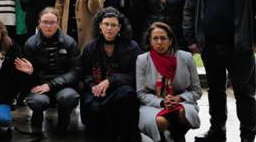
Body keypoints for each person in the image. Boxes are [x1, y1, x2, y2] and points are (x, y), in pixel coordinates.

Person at [183, 0, 256, 142]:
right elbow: (190, 9)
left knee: (244, 94)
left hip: (240, 47)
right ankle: (217, 131)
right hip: (210, 46)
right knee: (216, 92)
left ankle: (248, 136)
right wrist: (191, 38)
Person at [80, 8, 141, 140]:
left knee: (128, 95)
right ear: (100, 26)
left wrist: (111, 80)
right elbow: (84, 73)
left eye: (113, 25)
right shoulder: (90, 47)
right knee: (94, 108)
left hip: (120, 90)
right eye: (106, 24)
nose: (109, 28)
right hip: (95, 90)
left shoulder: (132, 47)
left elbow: (135, 75)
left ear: (119, 28)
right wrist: (92, 86)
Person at [137, 22, 202, 142]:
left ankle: (177, 135)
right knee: (161, 122)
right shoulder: (142, 60)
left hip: (181, 102)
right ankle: (162, 137)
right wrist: (162, 102)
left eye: (163, 38)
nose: (159, 42)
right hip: (153, 103)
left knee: (183, 113)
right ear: (150, 41)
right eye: (155, 38)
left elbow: (197, 91)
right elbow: (141, 94)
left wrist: (178, 98)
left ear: (170, 40)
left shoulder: (186, 57)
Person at [22, 8, 81, 135]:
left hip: (63, 86)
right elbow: (24, 77)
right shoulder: (30, 44)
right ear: (39, 23)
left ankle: (64, 120)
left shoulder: (69, 42)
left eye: (52, 22)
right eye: (45, 22)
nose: (48, 26)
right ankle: (37, 118)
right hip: (39, 85)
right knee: (38, 102)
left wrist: (51, 85)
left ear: (58, 22)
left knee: (69, 97)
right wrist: (30, 73)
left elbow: (76, 71)